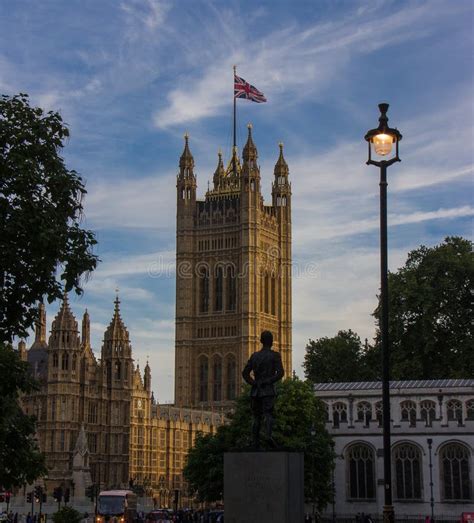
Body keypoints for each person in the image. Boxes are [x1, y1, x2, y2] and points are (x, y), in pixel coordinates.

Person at [242, 330, 285, 449]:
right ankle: (268, 436)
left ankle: (254, 442)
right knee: (268, 414)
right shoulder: (274, 355)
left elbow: (245, 373)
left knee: (256, 417)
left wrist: (254, 383)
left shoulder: (254, 356)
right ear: (271, 342)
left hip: (256, 391)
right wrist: (269, 381)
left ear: (261, 341)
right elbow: (280, 373)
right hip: (268, 390)